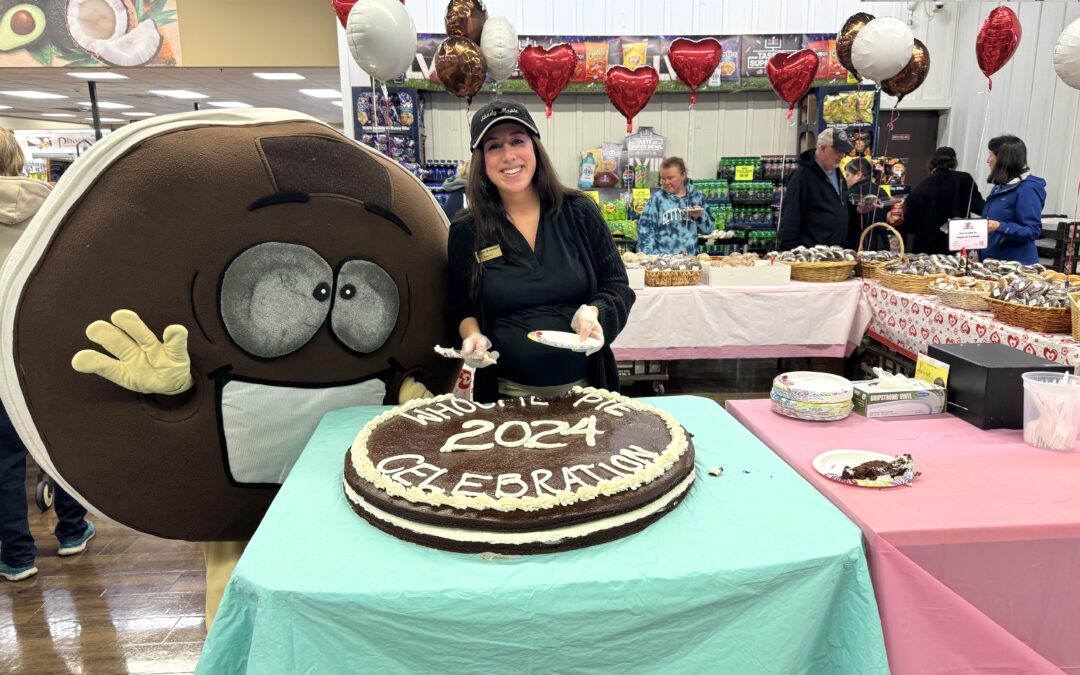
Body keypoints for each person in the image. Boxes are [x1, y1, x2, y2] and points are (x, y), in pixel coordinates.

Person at [447, 100, 635, 403]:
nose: (509, 156)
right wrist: (472, 337)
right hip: (506, 397)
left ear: (534, 148)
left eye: (517, 140)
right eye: (494, 146)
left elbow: (617, 286)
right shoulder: (467, 230)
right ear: (482, 160)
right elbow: (460, 307)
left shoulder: (579, 212)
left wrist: (594, 312)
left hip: (587, 392)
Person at [0, 127, 95, 582]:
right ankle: (72, 532)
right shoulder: (54, 207)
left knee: (4, 460)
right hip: (46, 345)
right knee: (57, 445)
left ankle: (18, 557)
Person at [899, 147, 984, 255]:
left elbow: (909, 226)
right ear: (954, 162)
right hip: (955, 250)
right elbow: (981, 208)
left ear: (932, 164)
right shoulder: (964, 180)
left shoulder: (918, 189)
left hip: (925, 253)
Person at [778, 128, 852, 250]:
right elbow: (790, 217)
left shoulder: (838, 174)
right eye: (838, 150)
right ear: (822, 148)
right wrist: (791, 253)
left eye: (844, 151)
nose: (842, 155)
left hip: (835, 254)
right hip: (812, 256)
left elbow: (840, 206)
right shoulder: (802, 176)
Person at [981, 135, 1047, 264]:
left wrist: (1000, 226)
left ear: (1002, 159)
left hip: (1015, 266)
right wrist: (977, 251)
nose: (988, 160)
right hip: (992, 261)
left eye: (990, 155)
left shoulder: (1027, 188)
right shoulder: (1001, 186)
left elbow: (1032, 231)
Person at [635, 156, 714, 254]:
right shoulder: (656, 200)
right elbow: (644, 232)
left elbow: (708, 230)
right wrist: (651, 258)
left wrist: (700, 216)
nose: (666, 182)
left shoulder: (696, 197)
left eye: (670, 178)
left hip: (690, 262)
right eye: (663, 178)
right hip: (663, 264)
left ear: (683, 175)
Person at [842, 157, 890, 250]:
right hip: (881, 245)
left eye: (848, 175)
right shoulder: (882, 191)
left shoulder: (848, 194)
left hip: (856, 246)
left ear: (858, 174)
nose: (846, 179)